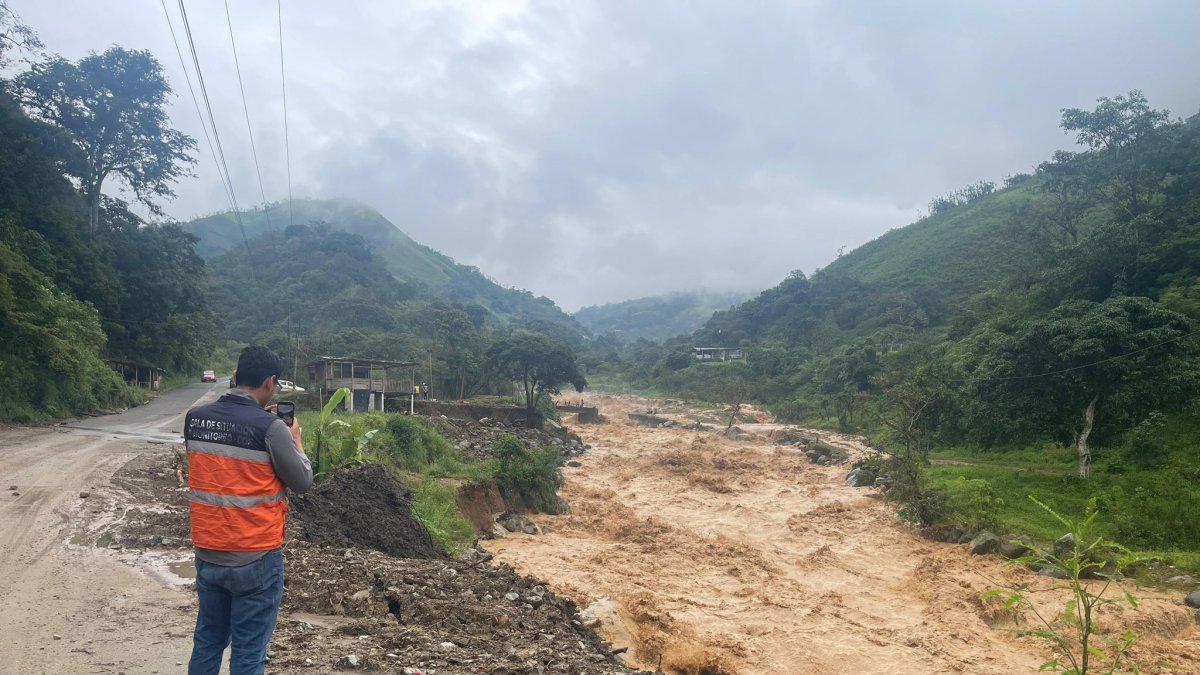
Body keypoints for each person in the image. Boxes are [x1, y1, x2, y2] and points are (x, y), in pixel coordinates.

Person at [184, 345, 313, 675]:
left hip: (209, 551)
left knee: (208, 641)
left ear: (236, 376)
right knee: (249, 649)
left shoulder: (194, 419)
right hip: (255, 558)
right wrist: (294, 439)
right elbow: (301, 481)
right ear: (270, 382)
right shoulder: (271, 429)